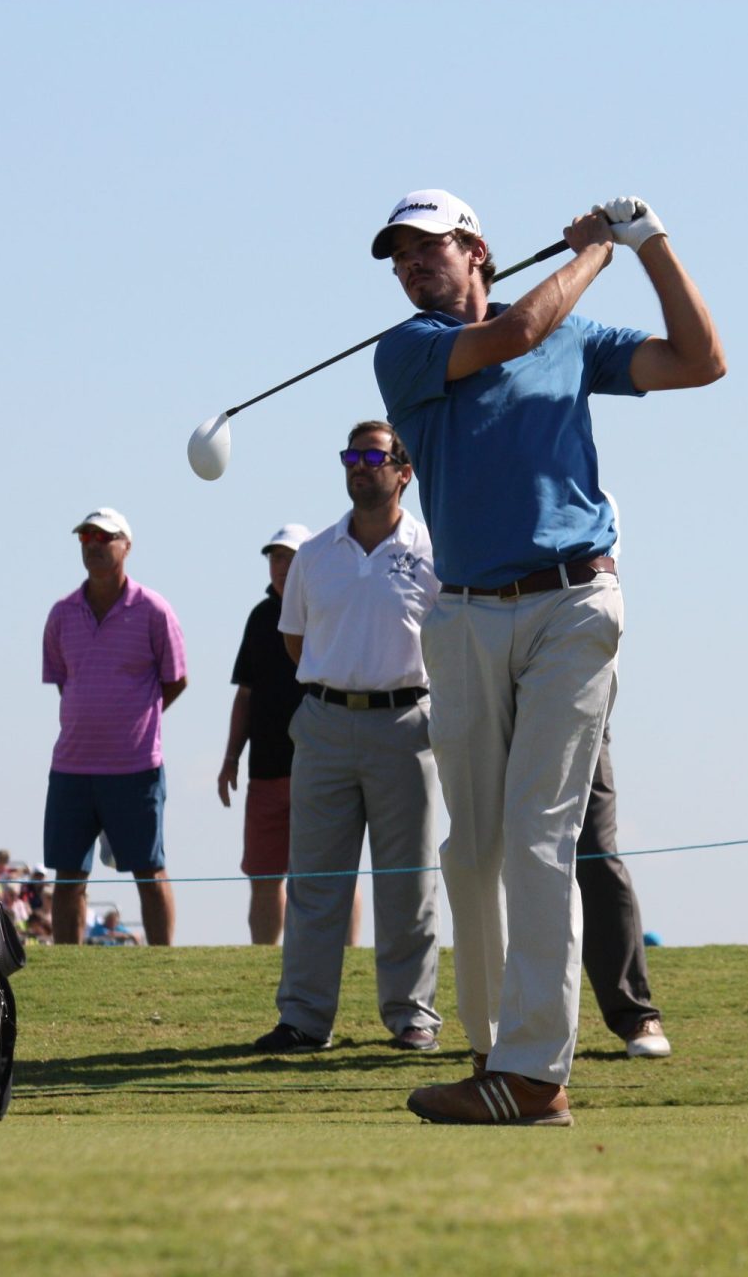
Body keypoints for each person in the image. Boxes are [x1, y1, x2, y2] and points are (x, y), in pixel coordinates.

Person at [370, 191, 724, 1125]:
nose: (410, 268)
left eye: (426, 250)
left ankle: (533, 1075)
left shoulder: (574, 332)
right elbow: (520, 329)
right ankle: (494, 1049)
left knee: (539, 834)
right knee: (473, 846)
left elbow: (702, 362)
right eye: (399, 257)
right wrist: (594, 253)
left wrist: (650, 245)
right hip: (466, 614)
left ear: (475, 248)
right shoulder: (407, 349)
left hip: (575, 602)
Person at [253, 423, 445, 1054]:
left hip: (405, 726)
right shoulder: (313, 555)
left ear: (404, 471)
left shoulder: (433, 549)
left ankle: (412, 1016)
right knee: (314, 881)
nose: (360, 466)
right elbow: (295, 642)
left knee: (407, 884)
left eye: (374, 456)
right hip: (326, 723)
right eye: (352, 456)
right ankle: (304, 1019)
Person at [42, 509, 187, 945]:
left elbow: (175, 680)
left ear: (127, 545)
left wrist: (135, 721)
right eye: (86, 535)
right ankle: (70, 968)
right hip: (72, 766)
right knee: (69, 874)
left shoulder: (153, 610)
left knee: (148, 868)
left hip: (136, 767)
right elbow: (65, 681)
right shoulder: (62, 613)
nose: (94, 543)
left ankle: (162, 963)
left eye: (105, 536)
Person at [219, 524, 314, 944]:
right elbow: (246, 695)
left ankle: (347, 959)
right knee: (263, 875)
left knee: (327, 874)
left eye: (290, 558)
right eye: (275, 557)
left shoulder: (324, 609)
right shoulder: (259, 618)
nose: (281, 566)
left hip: (319, 766)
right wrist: (230, 758)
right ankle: (261, 962)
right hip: (265, 771)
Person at [577, 730, 670, 1057]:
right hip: (490, 702)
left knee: (594, 853)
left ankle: (635, 1016)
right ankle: (496, 1027)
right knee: (489, 859)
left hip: (576, 706)